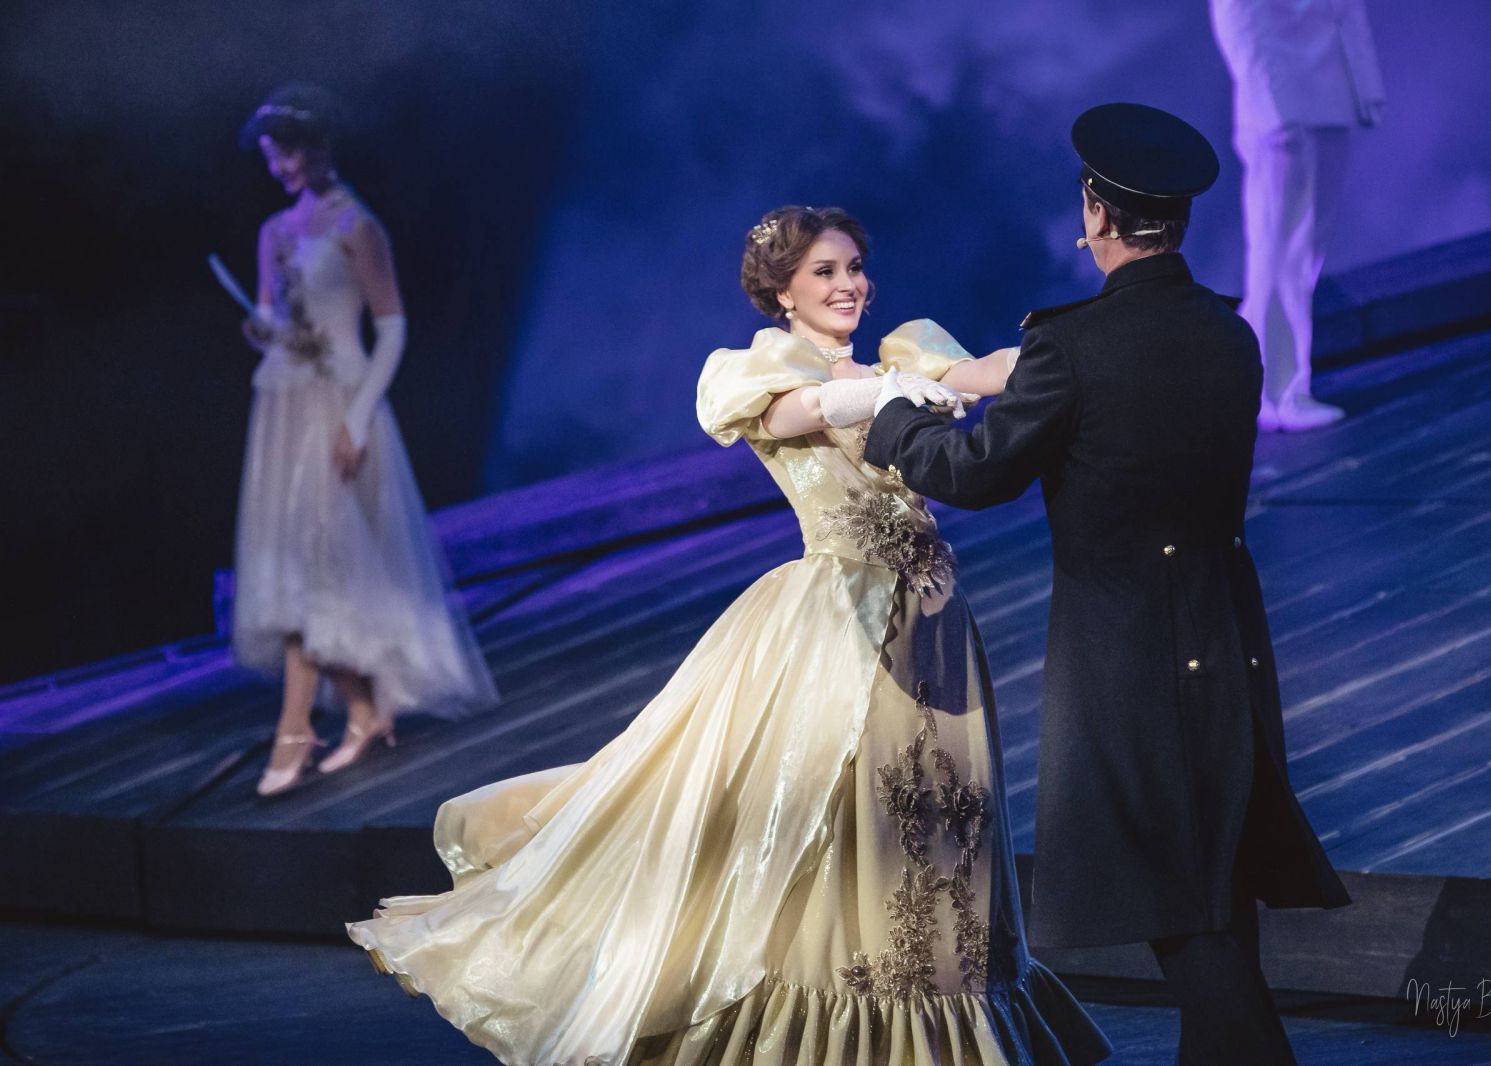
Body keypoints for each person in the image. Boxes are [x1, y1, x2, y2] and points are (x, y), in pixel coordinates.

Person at [346, 205, 1112, 1066]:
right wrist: (884, 394)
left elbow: (996, 369)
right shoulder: (765, 371)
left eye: (854, 267)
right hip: (839, 617)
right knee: (836, 816)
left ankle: (947, 1002)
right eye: (824, 271)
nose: (849, 284)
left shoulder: (905, 354)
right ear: (783, 291)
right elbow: (801, 412)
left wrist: (1099, 337)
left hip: (933, 623)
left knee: (941, 811)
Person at [864, 105, 1352, 1064]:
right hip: (1226, 632)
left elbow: (977, 473)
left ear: (1096, 214)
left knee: (1176, 896)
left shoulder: (1074, 346)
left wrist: (894, 423)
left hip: (1128, 651)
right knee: (1211, 880)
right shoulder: (1230, 333)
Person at [233, 85, 498, 797]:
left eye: (288, 154)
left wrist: (355, 419)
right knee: (304, 559)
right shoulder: (274, 231)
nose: (281, 168)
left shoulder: (358, 225)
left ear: (318, 147)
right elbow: (273, 315)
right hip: (285, 404)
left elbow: (393, 328)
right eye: (272, 157)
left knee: (321, 557)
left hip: (340, 403)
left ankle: (296, 729)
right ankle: (358, 710)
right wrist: (262, 328)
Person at [1210, 0, 1386, 431]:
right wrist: (1270, 108)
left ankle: (1248, 377)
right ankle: (1277, 393)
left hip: (1330, 92)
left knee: (1304, 251)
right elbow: (1238, 17)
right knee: (1280, 249)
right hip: (1282, 100)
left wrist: (1365, 87)